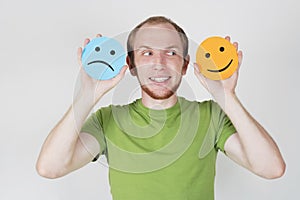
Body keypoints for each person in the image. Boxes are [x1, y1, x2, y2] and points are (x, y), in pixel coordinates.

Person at [36, 16, 285, 200]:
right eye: (147, 53)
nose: (159, 64)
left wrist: (227, 96)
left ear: (185, 65)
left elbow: (271, 169)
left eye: (171, 53)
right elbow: (50, 168)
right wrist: (87, 94)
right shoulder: (108, 119)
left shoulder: (211, 116)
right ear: (131, 65)